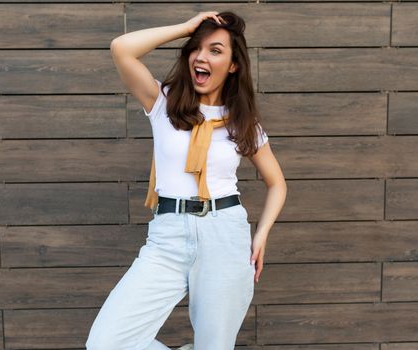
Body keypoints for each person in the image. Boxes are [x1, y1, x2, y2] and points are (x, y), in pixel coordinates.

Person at [85, 11, 287, 350]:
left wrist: (261, 234)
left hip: (225, 236)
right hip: (167, 238)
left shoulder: (242, 123)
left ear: (234, 65)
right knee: (106, 343)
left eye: (216, 50)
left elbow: (277, 183)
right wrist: (186, 28)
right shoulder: (162, 102)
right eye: (197, 48)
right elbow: (122, 48)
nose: (201, 57)